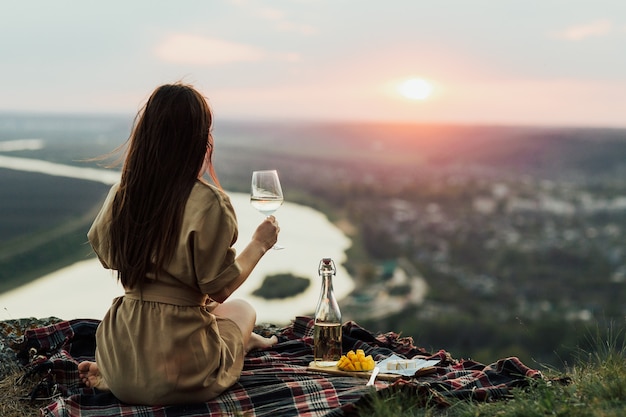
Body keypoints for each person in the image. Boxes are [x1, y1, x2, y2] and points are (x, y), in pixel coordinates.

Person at [78, 83, 280, 405]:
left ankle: (115, 374)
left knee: (206, 310)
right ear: (199, 140)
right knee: (241, 309)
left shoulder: (122, 194)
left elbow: (106, 255)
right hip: (183, 371)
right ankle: (243, 342)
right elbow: (220, 288)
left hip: (121, 349)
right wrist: (259, 244)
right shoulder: (209, 202)